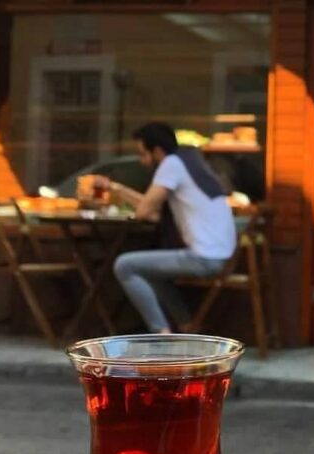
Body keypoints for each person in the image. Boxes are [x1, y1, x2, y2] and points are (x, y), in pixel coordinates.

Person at [96, 122, 236, 334]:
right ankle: (186, 325)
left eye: (143, 154)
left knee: (124, 265)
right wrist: (115, 188)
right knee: (151, 271)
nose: (143, 162)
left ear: (158, 151)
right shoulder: (189, 161)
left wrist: (117, 193)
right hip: (221, 255)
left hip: (204, 257)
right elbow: (153, 210)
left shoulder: (171, 164)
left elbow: (144, 211)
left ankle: (161, 333)